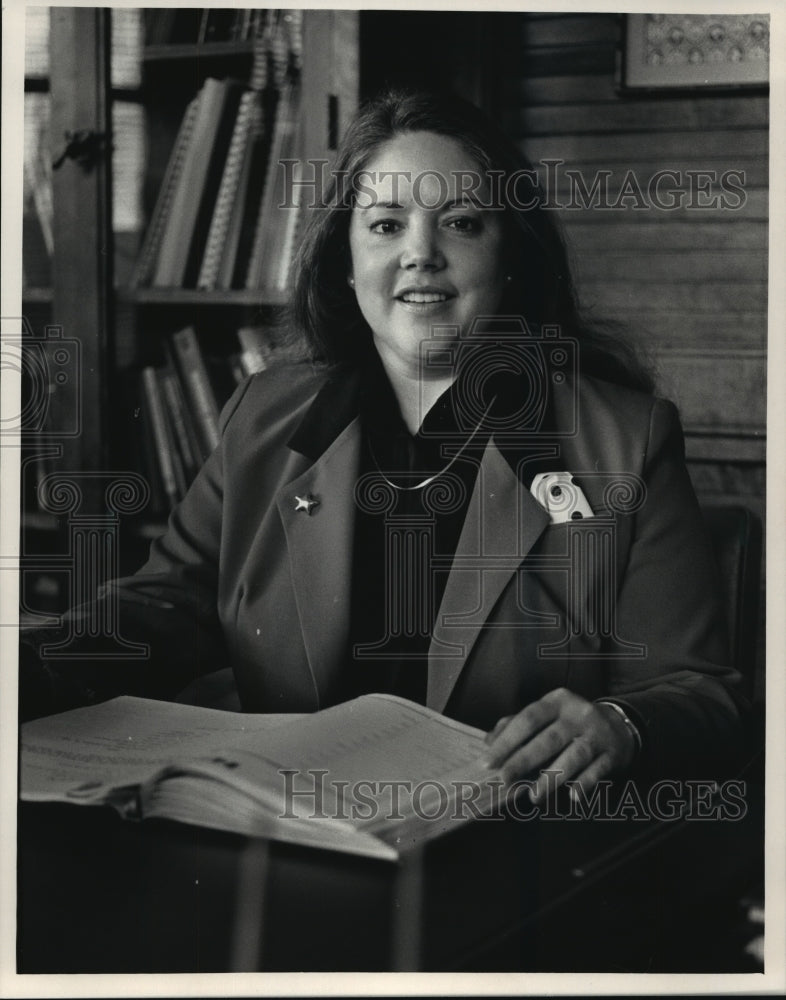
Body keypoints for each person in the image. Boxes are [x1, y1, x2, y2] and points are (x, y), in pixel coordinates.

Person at [20, 89, 748, 798]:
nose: (419, 254)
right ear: (344, 258)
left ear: (512, 256)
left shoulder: (625, 439)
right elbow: (171, 601)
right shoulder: (267, 415)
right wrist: (33, 661)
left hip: (509, 848)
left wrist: (621, 725)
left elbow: (700, 691)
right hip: (291, 835)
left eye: (462, 223)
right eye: (385, 225)